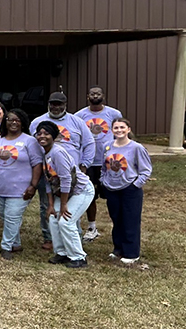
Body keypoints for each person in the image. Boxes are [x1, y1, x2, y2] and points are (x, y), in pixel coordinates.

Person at [29, 92, 95, 250]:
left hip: (70, 175)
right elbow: (33, 147)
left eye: (59, 104)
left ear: (65, 105)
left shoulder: (77, 122)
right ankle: (50, 238)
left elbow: (89, 144)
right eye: (53, 103)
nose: (56, 107)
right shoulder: (37, 122)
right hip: (49, 173)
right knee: (48, 206)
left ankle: (74, 239)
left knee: (69, 209)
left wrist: (84, 166)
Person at [0, 109, 43, 260]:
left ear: (23, 123)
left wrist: (33, 185)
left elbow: (37, 164)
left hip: (21, 190)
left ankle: (6, 246)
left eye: (17, 120)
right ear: (5, 122)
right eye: (10, 119)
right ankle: (16, 243)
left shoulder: (29, 141)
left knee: (12, 216)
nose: (13, 122)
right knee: (6, 216)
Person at [35, 120, 96, 268]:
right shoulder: (45, 153)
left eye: (46, 133)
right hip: (65, 192)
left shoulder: (58, 152)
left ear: (54, 136)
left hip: (81, 190)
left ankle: (78, 257)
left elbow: (66, 179)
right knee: (54, 218)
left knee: (66, 220)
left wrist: (63, 205)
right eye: (39, 133)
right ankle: (62, 253)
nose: (42, 136)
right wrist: (51, 205)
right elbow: (49, 181)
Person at [101, 119, 152, 265]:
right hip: (112, 188)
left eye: (122, 127)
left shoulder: (136, 148)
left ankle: (131, 252)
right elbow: (104, 167)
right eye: (116, 128)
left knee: (130, 220)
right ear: (112, 130)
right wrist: (104, 181)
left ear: (128, 129)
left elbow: (146, 169)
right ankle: (118, 248)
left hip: (130, 189)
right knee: (117, 219)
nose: (119, 130)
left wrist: (136, 185)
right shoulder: (107, 147)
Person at [76, 86, 124, 242]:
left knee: (112, 195)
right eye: (92, 94)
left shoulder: (114, 114)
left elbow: (121, 134)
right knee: (90, 196)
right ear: (87, 97)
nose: (95, 96)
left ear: (103, 96)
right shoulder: (80, 116)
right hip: (88, 162)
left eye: (98, 93)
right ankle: (92, 227)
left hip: (109, 162)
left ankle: (118, 227)